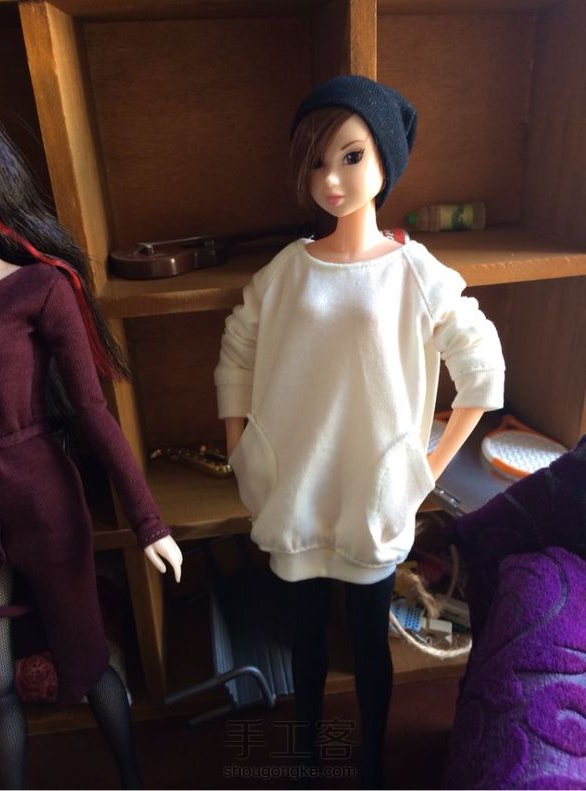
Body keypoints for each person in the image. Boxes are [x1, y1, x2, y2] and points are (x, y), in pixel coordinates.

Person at [214, 74, 505, 787]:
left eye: (350, 157)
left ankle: (370, 762)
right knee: (305, 640)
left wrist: (427, 465)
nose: (331, 179)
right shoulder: (286, 270)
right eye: (316, 162)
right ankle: (306, 755)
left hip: (373, 496)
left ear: (384, 161)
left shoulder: (413, 270)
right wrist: (238, 445)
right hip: (294, 490)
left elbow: (481, 365)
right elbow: (237, 351)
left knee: (370, 644)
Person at [0, 118, 182, 789]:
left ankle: (131, 777)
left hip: (41, 497)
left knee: (86, 654)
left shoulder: (36, 288)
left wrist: (149, 522)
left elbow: (92, 411)